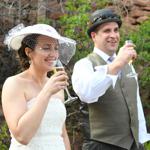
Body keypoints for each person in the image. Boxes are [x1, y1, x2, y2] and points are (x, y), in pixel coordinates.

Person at [72, 8, 150, 150]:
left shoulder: (128, 65)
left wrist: (141, 140)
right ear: (94, 36)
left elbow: (135, 104)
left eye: (116, 30)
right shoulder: (84, 64)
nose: (113, 35)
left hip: (134, 145)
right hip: (100, 145)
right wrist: (117, 64)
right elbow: (87, 94)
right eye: (107, 31)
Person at [2, 23, 76, 150]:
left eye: (56, 48)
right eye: (46, 48)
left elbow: (62, 134)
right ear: (29, 52)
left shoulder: (56, 86)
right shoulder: (14, 84)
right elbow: (22, 136)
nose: (53, 54)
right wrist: (46, 92)